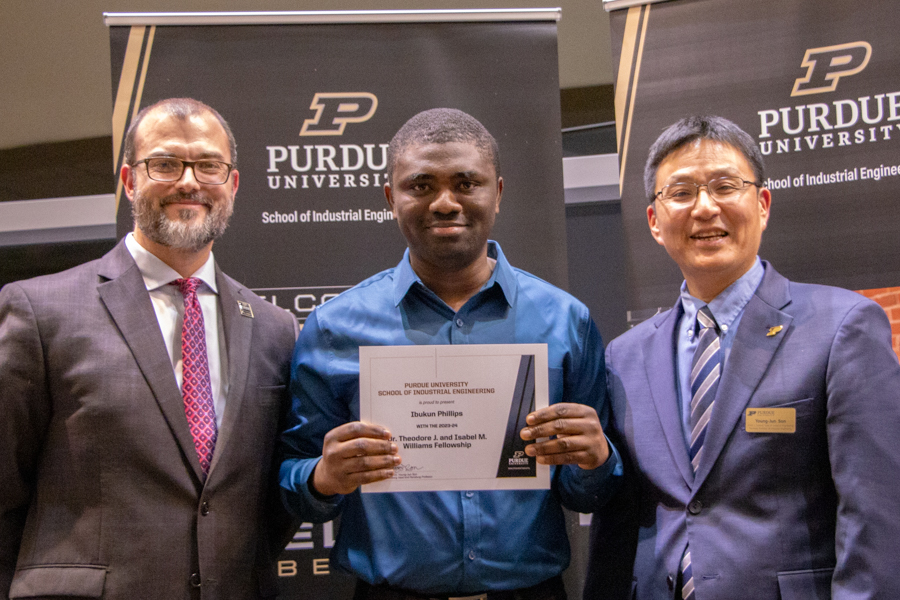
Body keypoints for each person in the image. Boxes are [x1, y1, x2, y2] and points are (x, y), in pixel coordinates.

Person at [280, 108, 622, 600]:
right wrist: (322, 478)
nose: (445, 202)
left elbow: (588, 490)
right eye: (420, 185)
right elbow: (294, 483)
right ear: (390, 198)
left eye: (466, 183)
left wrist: (596, 461)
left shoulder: (566, 321)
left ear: (497, 193)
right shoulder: (335, 328)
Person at [584, 115, 900, 600]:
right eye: (682, 192)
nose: (705, 208)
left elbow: (876, 512)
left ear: (763, 204)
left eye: (724, 186)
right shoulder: (625, 355)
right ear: (654, 221)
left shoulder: (844, 326)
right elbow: (624, 519)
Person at [0, 98, 298, 599]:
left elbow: (269, 501)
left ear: (233, 184)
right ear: (130, 180)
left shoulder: (274, 329)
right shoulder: (39, 310)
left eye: (209, 165)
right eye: (164, 164)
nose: (189, 181)